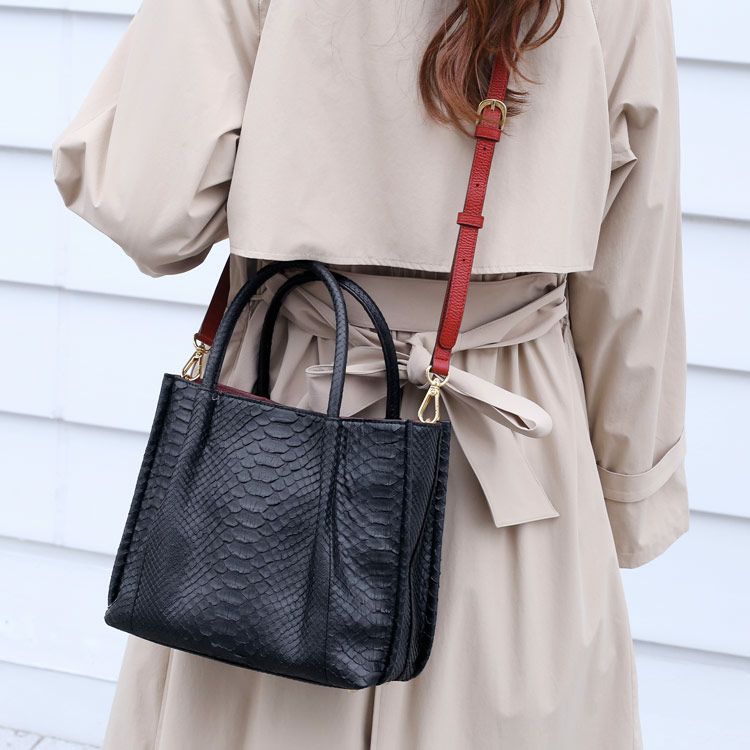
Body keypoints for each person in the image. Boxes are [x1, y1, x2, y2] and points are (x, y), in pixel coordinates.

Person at [51, 1, 688, 748]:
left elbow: (149, 212)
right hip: (513, 460)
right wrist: (628, 492)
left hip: (281, 454)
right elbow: (635, 271)